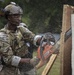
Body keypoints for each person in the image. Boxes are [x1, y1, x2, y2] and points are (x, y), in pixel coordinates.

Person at [0, 2, 39, 75]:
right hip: (9, 70)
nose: (19, 19)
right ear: (9, 17)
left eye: (20, 16)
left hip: (25, 67)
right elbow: (8, 59)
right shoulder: (2, 36)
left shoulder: (21, 28)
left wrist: (43, 40)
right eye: (16, 16)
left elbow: (32, 37)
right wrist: (29, 61)